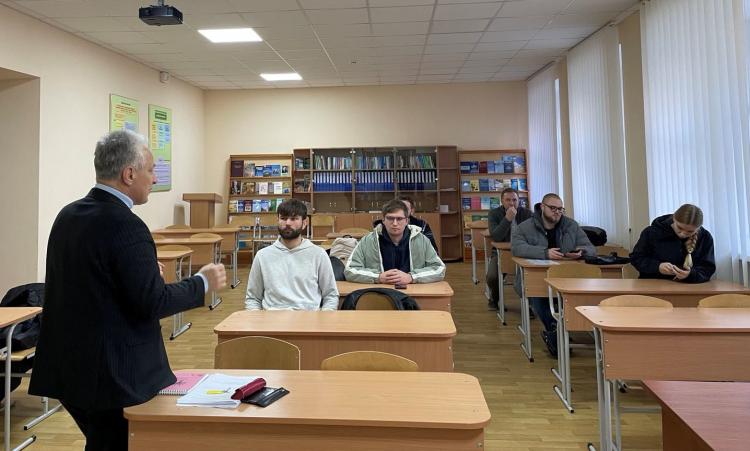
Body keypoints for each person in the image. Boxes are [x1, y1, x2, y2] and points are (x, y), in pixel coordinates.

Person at [29, 130, 227, 450]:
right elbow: (153, 302)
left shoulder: (68, 215)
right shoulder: (126, 224)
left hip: (68, 369)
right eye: (151, 170)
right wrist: (202, 282)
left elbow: (92, 282)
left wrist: (143, 273)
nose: (154, 178)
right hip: (112, 375)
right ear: (129, 174)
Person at [511, 193, 595, 357]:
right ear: (542, 207)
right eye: (553, 208)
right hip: (538, 276)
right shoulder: (525, 227)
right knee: (538, 295)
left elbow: (590, 248)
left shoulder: (571, 225)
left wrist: (580, 251)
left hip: (567, 277)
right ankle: (555, 331)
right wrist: (544, 253)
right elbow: (517, 248)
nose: (557, 212)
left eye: (560, 209)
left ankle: (560, 333)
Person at [245, 198, 339, 310]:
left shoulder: (319, 255)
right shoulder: (262, 256)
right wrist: (257, 318)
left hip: (309, 318)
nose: (288, 223)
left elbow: (331, 295)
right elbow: (253, 299)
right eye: (283, 218)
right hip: (272, 318)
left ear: (304, 223)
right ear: (277, 220)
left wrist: (324, 317)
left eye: (294, 219)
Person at [345, 199, 445, 284]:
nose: (395, 223)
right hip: (379, 292)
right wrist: (378, 277)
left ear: (406, 221)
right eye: (390, 218)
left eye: (399, 219)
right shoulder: (367, 241)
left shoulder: (422, 240)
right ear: (383, 220)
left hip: (414, 291)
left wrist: (412, 277)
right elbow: (350, 270)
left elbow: (439, 268)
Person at [630, 204, 715, 282]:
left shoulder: (705, 237)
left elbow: (707, 269)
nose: (683, 234)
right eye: (679, 228)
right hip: (652, 284)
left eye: (690, 231)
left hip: (689, 287)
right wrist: (657, 267)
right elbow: (636, 258)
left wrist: (690, 275)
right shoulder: (651, 232)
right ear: (674, 219)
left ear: (698, 228)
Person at [485, 188, 533, 310]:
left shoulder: (527, 214)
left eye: (514, 200)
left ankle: (530, 307)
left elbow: (533, 236)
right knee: (492, 276)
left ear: (519, 201)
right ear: (502, 201)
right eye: (508, 200)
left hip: (524, 253)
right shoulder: (494, 214)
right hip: (501, 252)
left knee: (532, 276)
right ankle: (494, 300)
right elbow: (496, 236)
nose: (511, 203)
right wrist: (507, 219)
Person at [372, 195, 438, 252]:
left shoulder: (422, 225)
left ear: (412, 211)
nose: (401, 210)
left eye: (405, 208)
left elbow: (433, 250)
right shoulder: (380, 228)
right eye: (398, 208)